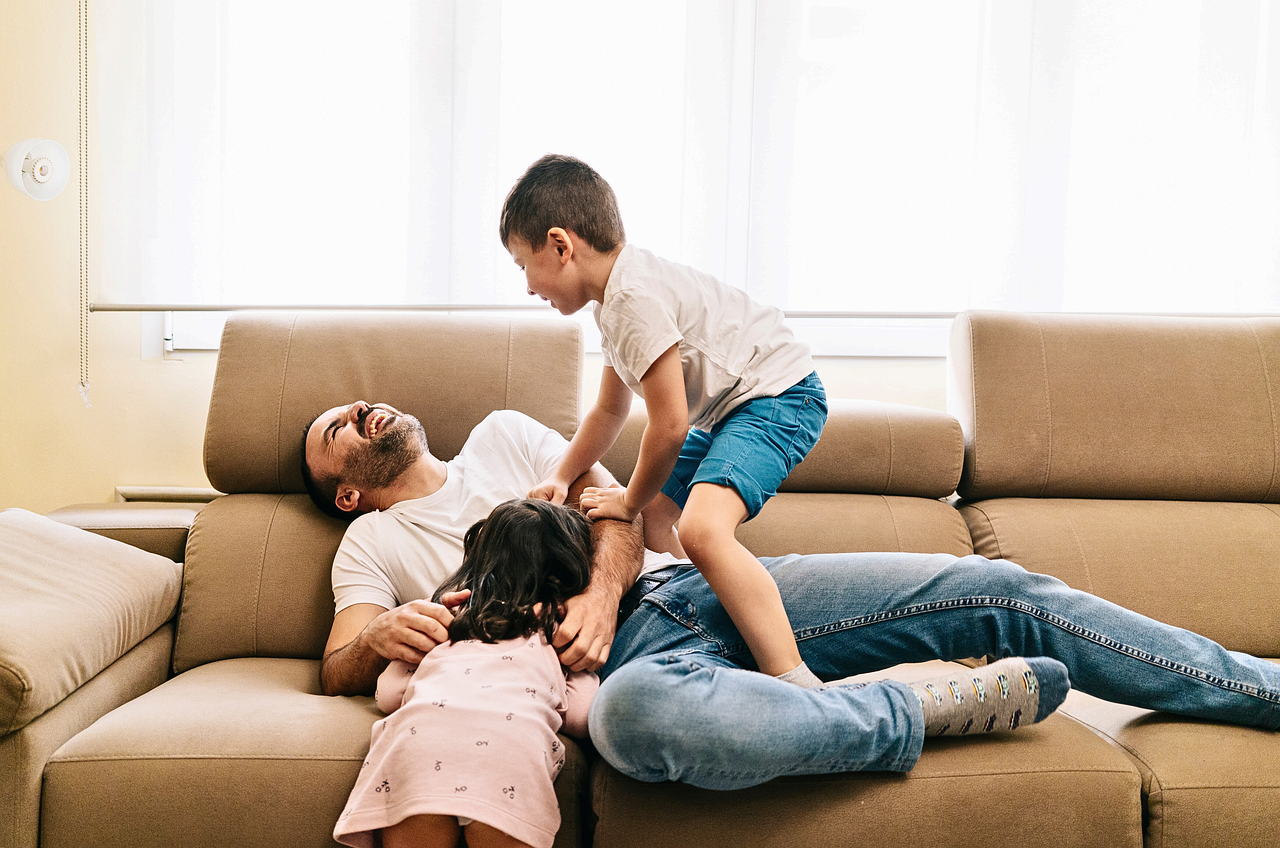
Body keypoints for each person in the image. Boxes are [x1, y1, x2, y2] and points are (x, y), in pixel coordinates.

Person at [304, 400, 1280, 797]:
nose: (360, 410)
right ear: (344, 490)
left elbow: (622, 519)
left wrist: (601, 594)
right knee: (634, 725)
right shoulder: (370, 543)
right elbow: (340, 661)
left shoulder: (505, 436)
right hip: (628, 677)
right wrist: (380, 634)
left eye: (358, 405)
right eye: (335, 430)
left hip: (691, 593)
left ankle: (1260, 690)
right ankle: (916, 708)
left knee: (1001, 591)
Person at [501, 153, 829, 687]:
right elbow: (610, 409)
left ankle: (794, 679)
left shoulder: (632, 299)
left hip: (780, 396)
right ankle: (702, 619)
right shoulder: (613, 305)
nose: (528, 287)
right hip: (734, 409)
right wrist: (562, 475)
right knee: (656, 517)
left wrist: (627, 500)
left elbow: (671, 425)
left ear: (561, 246)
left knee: (700, 529)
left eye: (522, 266)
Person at [334, 498, 600, 848]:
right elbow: (581, 716)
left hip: (420, 746)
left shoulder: (444, 623)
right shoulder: (556, 634)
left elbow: (388, 693)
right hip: (510, 753)